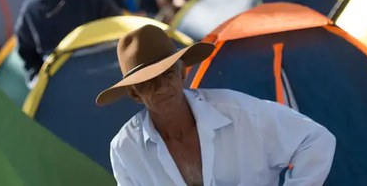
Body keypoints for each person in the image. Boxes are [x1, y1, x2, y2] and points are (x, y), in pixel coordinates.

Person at [98, 25, 336, 186]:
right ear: (134, 93)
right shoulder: (125, 148)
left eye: (167, 74)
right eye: (148, 82)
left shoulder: (239, 113)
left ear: (182, 73)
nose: (161, 87)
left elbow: (317, 140)